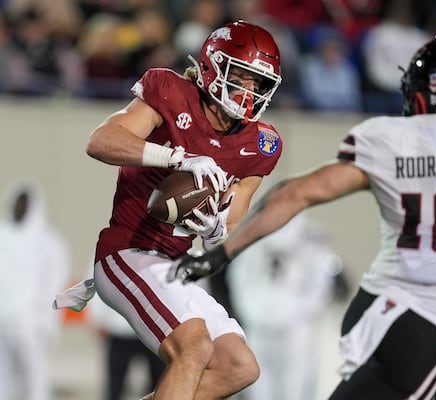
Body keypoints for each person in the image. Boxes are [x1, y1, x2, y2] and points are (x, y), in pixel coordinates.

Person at [167, 33, 436, 400]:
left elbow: (296, 193)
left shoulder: (387, 136)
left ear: (414, 89)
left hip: (375, 304)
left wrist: (223, 252)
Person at [54, 20, 283, 400]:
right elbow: (101, 141)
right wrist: (175, 157)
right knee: (193, 348)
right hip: (128, 250)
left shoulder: (262, 143)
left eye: (257, 84)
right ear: (213, 65)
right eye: (242, 77)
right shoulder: (171, 90)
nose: (248, 92)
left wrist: (216, 228)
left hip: (175, 265)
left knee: (239, 367)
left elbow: (235, 213)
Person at [226, 213, 347, 400]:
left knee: (295, 389)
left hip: (296, 330)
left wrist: (293, 314)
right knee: (258, 389)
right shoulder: (253, 233)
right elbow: (238, 277)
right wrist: (253, 313)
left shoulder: (313, 237)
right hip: (258, 326)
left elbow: (320, 286)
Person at [0, 178, 71, 400]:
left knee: (35, 383)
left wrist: (50, 322)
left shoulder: (49, 241)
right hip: (3, 323)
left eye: (24, 203)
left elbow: (56, 284)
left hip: (32, 325)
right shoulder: (4, 236)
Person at [88, 290, 165, 400]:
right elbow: (95, 286)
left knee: (159, 382)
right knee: (115, 383)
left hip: (152, 332)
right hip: (120, 331)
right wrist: (97, 319)